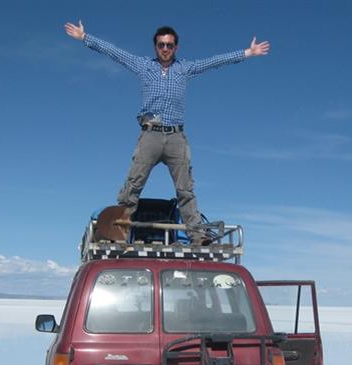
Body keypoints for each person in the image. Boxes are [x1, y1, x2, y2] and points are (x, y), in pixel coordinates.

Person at [65, 21, 269, 244]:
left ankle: (197, 236)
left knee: (186, 190)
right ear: (155, 47)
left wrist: (248, 52)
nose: (165, 49)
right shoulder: (144, 66)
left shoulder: (185, 68)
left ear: (176, 48)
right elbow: (116, 53)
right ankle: (119, 232)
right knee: (132, 186)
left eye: (169, 45)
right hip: (150, 135)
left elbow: (214, 62)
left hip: (176, 137)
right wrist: (85, 37)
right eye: (161, 45)